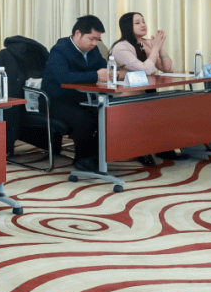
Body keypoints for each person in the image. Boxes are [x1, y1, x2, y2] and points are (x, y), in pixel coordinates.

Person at [41, 15, 120, 174]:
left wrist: (113, 73)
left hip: (81, 97)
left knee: (109, 114)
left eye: (98, 39)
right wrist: (96, 76)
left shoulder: (93, 50)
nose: (95, 43)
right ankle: (82, 160)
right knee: (84, 118)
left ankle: (95, 157)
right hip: (55, 100)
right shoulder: (60, 50)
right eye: (92, 38)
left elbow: (103, 68)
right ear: (78, 33)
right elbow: (64, 78)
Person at [111, 12, 181, 165]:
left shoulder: (147, 43)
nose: (143, 25)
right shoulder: (120, 48)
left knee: (166, 109)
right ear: (127, 27)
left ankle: (162, 148)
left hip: (147, 90)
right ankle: (142, 151)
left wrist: (159, 48)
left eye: (143, 21)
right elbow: (146, 69)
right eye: (137, 23)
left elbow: (168, 69)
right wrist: (155, 48)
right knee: (145, 114)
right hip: (126, 95)